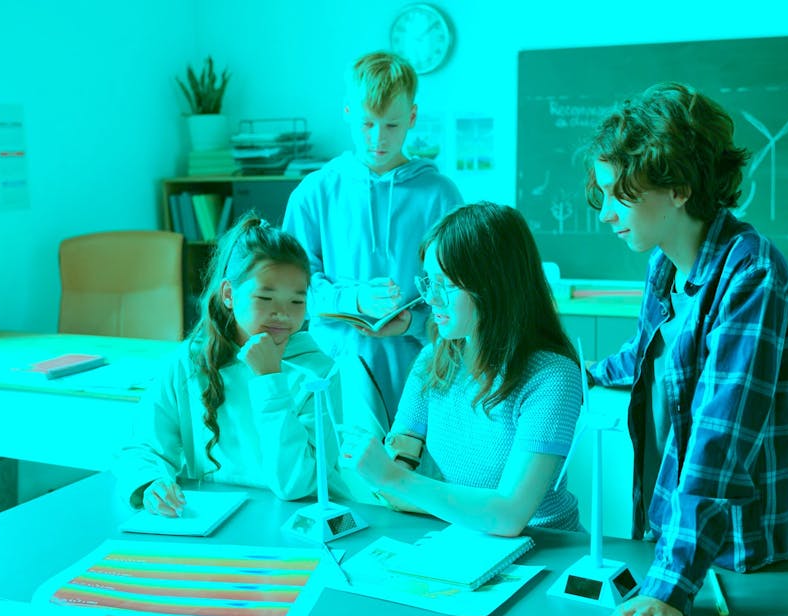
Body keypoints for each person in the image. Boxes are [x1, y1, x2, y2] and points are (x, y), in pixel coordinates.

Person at [583, 82, 788, 616]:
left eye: (620, 196)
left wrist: (669, 586)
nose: (606, 215)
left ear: (678, 188)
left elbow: (720, 438)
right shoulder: (665, 264)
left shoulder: (753, 276)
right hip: (684, 534)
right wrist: (579, 374)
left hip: (745, 548)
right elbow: (646, 354)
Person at [339, 202, 581, 536]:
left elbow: (510, 515)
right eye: (429, 282)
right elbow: (399, 460)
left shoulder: (552, 377)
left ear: (495, 284)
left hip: (545, 545)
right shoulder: (433, 360)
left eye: (448, 285)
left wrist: (391, 477)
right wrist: (386, 470)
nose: (431, 299)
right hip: (466, 537)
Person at [283, 50, 462, 426]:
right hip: (333, 370)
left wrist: (412, 323)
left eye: (392, 125)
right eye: (367, 124)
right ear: (348, 111)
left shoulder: (441, 196)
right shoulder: (314, 193)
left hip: (422, 373)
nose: (378, 138)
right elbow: (293, 289)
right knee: (340, 459)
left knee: (411, 458)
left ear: (412, 117)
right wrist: (355, 299)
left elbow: (460, 292)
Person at [116, 212, 338, 515]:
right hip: (211, 519)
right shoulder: (189, 361)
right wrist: (152, 482)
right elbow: (143, 446)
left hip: (292, 521)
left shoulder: (318, 372)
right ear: (229, 294)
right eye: (266, 298)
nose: (283, 314)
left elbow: (296, 485)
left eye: (297, 301)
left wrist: (269, 378)